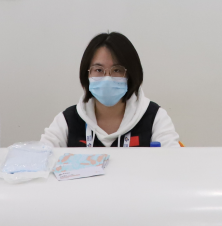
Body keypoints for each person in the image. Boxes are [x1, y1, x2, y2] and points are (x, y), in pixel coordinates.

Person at [40, 32, 180, 148]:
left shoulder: (155, 117)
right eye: (98, 70)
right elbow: (42, 156)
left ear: (131, 74)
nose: (107, 78)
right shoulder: (67, 120)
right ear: (87, 74)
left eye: (117, 70)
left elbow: (174, 162)